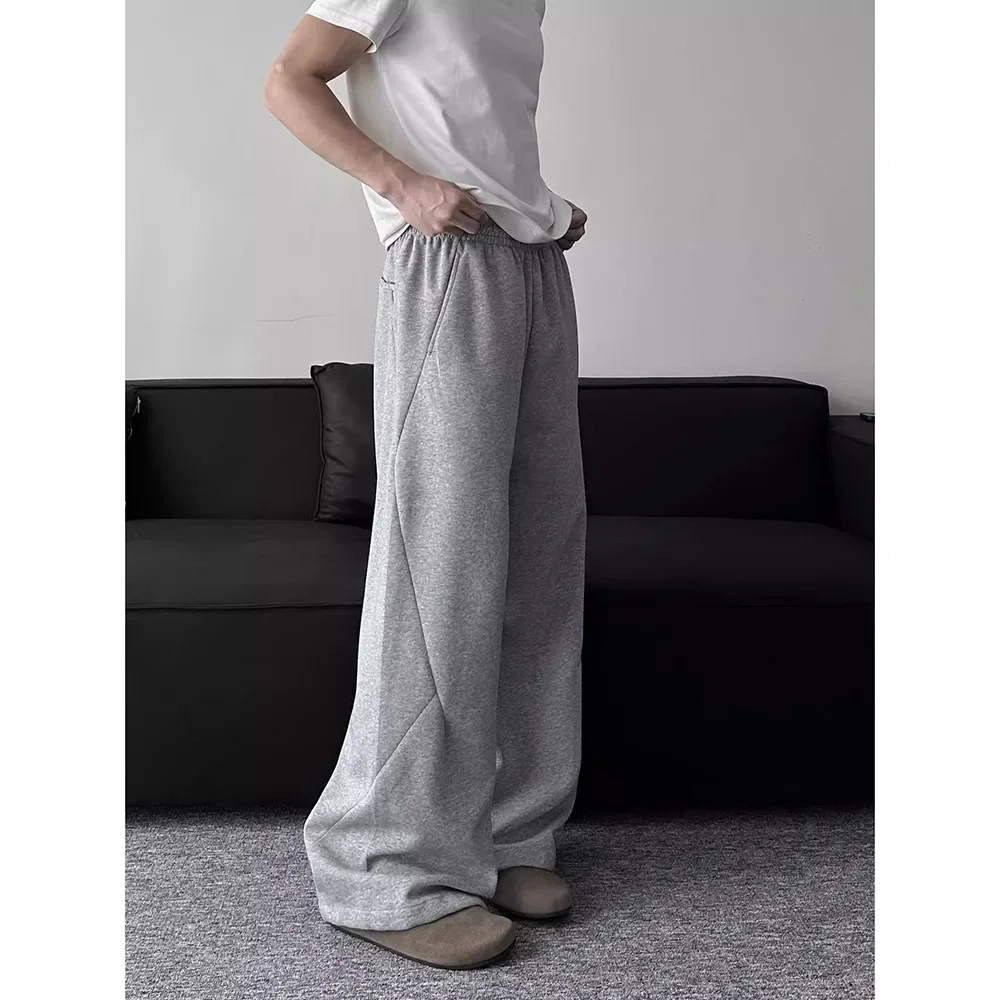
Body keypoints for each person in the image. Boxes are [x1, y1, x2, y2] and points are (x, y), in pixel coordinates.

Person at [263, 0, 588, 971]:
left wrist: (537, 205)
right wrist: (401, 184)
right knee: (440, 567)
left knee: (540, 559)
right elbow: (288, 80)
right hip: (445, 263)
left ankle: (504, 833)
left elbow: (467, 110)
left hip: (530, 262)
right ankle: (383, 864)